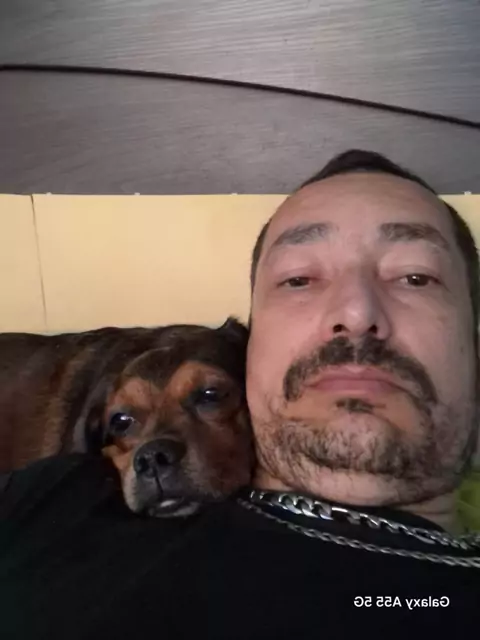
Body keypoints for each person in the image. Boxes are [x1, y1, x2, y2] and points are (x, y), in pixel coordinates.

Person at [1, 150, 479, 639]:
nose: (355, 312)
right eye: (298, 279)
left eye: (416, 277)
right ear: (254, 347)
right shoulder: (51, 495)